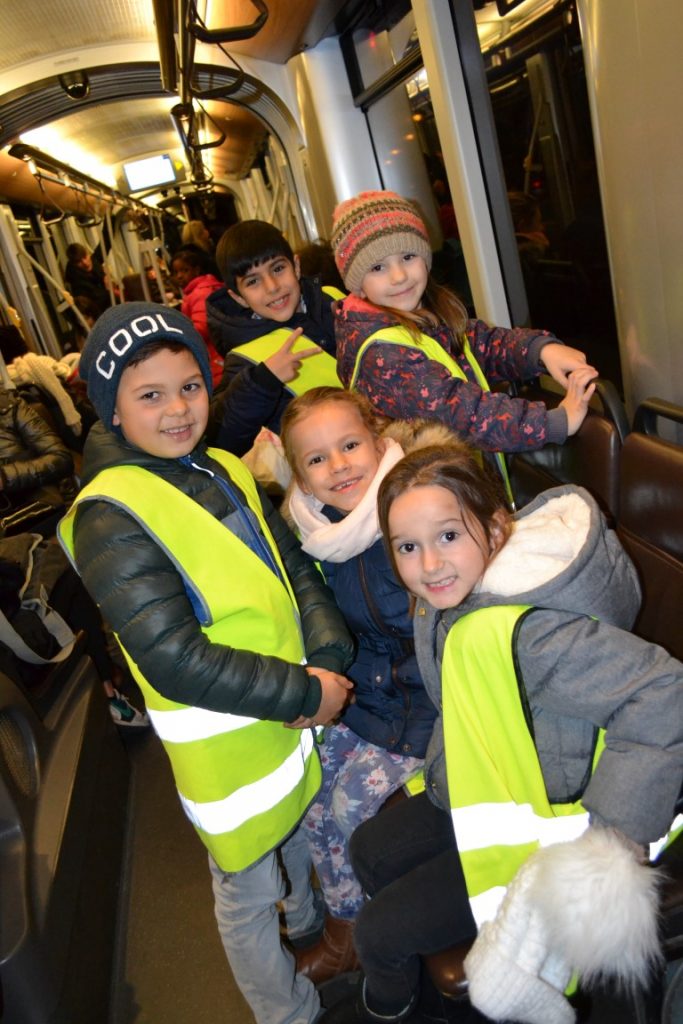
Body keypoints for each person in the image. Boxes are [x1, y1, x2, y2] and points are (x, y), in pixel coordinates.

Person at [57, 301, 355, 1024]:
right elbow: (174, 658)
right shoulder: (109, 514)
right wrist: (303, 691)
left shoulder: (221, 465)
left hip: (286, 711)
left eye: (190, 385)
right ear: (111, 409)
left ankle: (309, 931)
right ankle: (287, 1013)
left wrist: (326, 652)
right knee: (246, 889)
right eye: (150, 395)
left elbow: (291, 567)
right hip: (230, 748)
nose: (178, 410)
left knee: (292, 831)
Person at [320, 442, 683, 1024]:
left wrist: (611, 843)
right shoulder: (450, 598)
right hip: (501, 777)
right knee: (369, 849)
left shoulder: (528, 636)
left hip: (558, 817)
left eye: (448, 536)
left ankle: (407, 1008)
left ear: (494, 529)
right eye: (408, 547)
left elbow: (666, 691)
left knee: (378, 935)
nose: (429, 565)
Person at [280, 388, 448, 985]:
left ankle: (384, 928)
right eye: (317, 459)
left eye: (350, 445)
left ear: (379, 442)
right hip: (372, 697)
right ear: (300, 476)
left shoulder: (413, 510)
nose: (339, 466)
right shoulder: (316, 533)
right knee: (312, 788)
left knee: (352, 804)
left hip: (430, 704)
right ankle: (344, 925)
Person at [330, 190, 598, 496]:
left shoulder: (423, 316)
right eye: (378, 267)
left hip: (458, 491)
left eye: (408, 257)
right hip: (435, 504)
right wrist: (552, 423)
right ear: (357, 285)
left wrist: (541, 350)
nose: (399, 276)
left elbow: (484, 343)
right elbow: (462, 415)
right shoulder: (381, 354)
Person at [206, 220, 344, 449]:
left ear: (296, 267)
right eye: (253, 281)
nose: (272, 287)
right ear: (238, 297)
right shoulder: (245, 359)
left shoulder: (332, 297)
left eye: (278, 269)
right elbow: (222, 439)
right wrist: (264, 380)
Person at [170, 249, 224, 386]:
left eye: (184, 270)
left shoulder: (200, 293)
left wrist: (180, 334)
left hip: (214, 354)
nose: (179, 276)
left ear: (197, 270)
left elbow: (202, 328)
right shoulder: (198, 290)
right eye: (176, 272)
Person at [64, 243, 112, 317]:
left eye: (85, 257)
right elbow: (94, 307)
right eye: (79, 262)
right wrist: (108, 289)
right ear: (74, 265)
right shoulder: (78, 285)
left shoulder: (94, 261)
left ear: (88, 253)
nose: (85, 263)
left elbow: (105, 243)